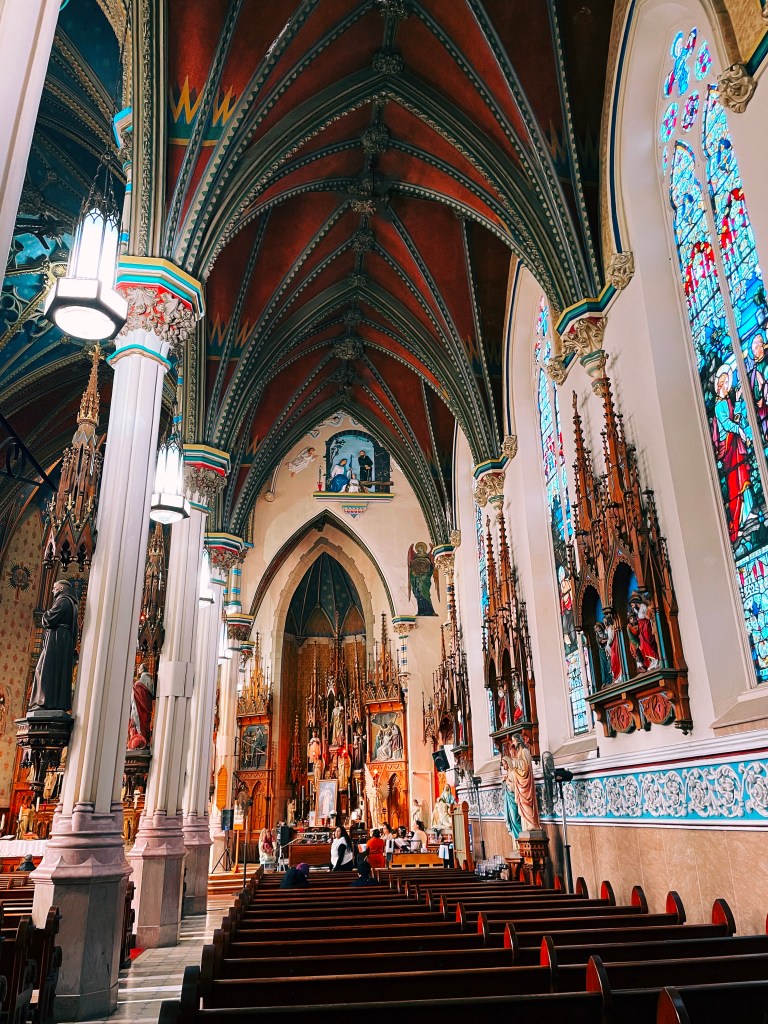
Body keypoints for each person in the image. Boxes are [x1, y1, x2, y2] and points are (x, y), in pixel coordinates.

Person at [28, 579, 79, 712]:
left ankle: (44, 701)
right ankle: (51, 702)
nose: (52, 590)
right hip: (61, 641)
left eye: (54, 587)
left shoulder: (63, 601)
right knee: (54, 671)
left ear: (61, 589)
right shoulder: (71, 603)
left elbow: (48, 619)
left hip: (56, 640)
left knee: (45, 669)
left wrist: (44, 616)